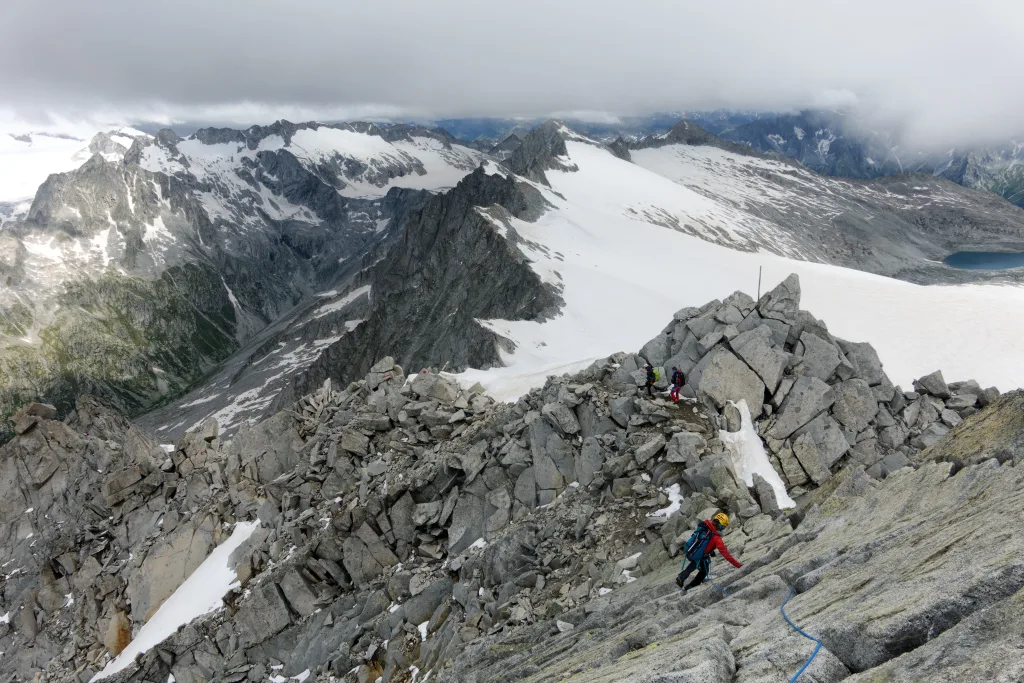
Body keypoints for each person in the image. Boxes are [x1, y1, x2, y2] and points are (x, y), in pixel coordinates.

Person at [675, 512, 742, 592]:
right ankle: (689, 587)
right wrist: (738, 565)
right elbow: (726, 554)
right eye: (724, 526)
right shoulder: (716, 538)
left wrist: (710, 552)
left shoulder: (704, 526)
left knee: (699, 562)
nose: (724, 528)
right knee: (705, 568)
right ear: (720, 525)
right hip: (696, 555)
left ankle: (681, 577)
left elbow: (702, 543)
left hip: (690, 551)